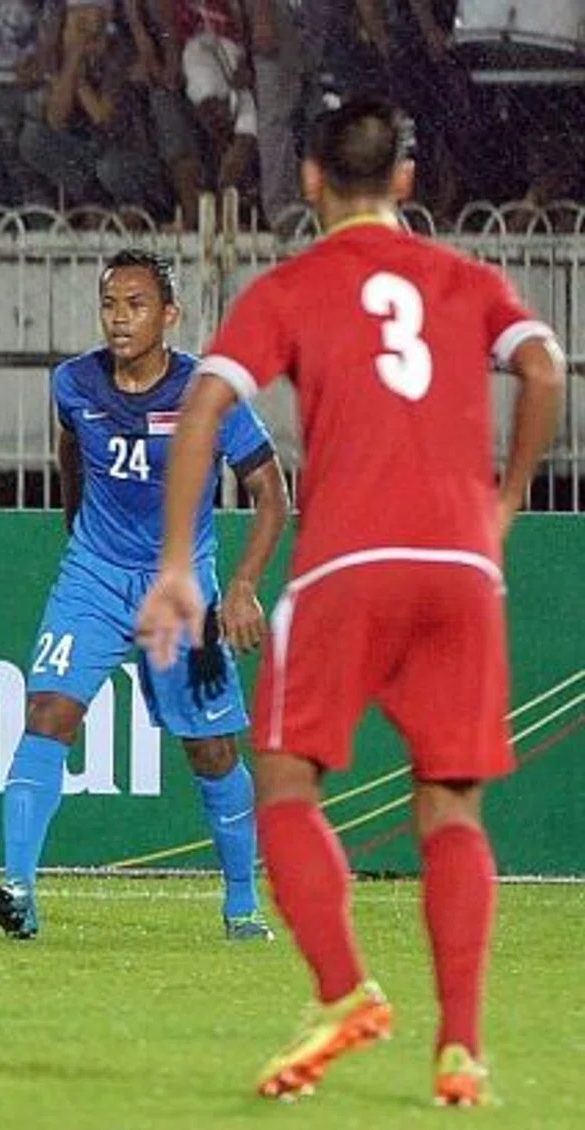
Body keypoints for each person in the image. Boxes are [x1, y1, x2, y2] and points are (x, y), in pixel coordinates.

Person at [135, 95, 565, 1105]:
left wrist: (177, 567)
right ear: (407, 181)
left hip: (347, 564)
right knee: (449, 800)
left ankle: (343, 990)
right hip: (462, 566)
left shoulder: (294, 286)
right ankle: (461, 1047)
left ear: (313, 181)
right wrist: (505, 501)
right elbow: (545, 366)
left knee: (285, 780)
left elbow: (204, 405)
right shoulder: (466, 277)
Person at [0, 249, 288, 943]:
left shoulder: (208, 392)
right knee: (48, 710)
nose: (120, 319)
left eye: (137, 304)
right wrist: (77, 536)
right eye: (111, 304)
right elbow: (70, 453)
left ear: (169, 315)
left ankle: (242, 905)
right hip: (92, 574)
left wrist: (241, 586)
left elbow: (271, 494)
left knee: (211, 750)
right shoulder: (75, 382)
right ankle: (19, 890)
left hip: (180, 584)